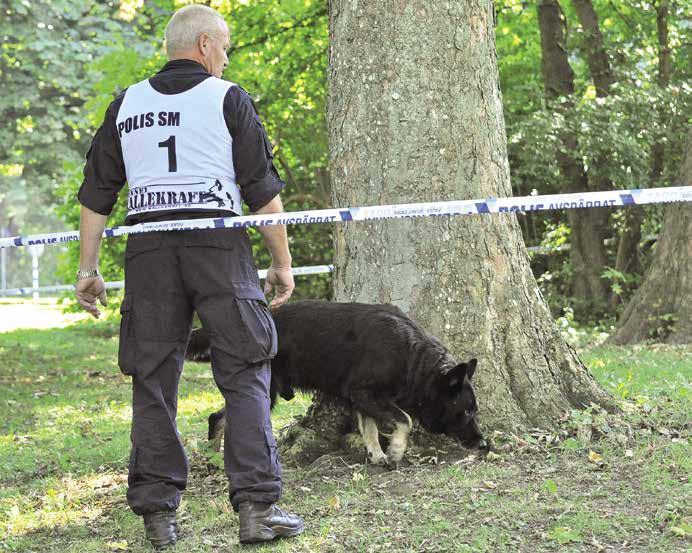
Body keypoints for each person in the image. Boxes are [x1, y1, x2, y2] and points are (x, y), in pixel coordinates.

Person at [74, 4, 304, 548]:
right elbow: (262, 190)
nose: (225, 56)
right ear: (203, 45)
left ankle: (158, 519)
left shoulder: (125, 104)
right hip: (218, 247)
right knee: (246, 371)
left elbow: (95, 194)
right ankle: (257, 510)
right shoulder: (227, 99)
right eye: (223, 45)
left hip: (148, 252)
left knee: (152, 382)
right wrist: (281, 263)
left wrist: (88, 270)